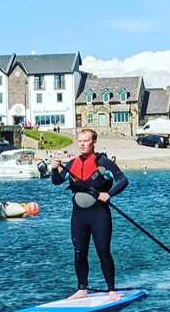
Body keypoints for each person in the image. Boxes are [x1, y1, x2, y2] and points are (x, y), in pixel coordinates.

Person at [51, 128, 128, 300]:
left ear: (93, 142)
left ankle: (111, 290)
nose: (82, 144)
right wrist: (54, 169)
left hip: (99, 215)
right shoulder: (72, 164)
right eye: (79, 141)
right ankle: (82, 289)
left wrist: (109, 194)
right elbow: (57, 181)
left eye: (85, 141)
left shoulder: (104, 162)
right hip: (79, 217)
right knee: (79, 252)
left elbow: (123, 180)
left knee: (103, 251)